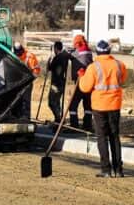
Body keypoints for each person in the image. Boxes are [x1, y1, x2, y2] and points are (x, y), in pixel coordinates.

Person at [77, 40, 129, 178]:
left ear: (97, 52)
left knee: (102, 137)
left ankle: (106, 170)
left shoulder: (93, 67)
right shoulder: (119, 64)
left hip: (100, 106)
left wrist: (82, 76)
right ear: (109, 51)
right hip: (114, 105)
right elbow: (122, 79)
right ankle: (118, 170)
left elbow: (85, 88)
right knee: (114, 136)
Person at [67, 34, 94, 130]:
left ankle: (74, 125)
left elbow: (68, 56)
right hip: (90, 82)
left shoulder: (78, 52)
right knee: (87, 105)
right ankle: (87, 125)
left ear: (77, 43)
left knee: (73, 105)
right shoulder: (89, 51)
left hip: (80, 82)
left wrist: (68, 52)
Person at [45, 41, 77, 124]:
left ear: (55, 48)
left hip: (55, 84)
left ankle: (58, 119)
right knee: (57, 102)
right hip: (62, 83)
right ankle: (58, 119)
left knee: (51, 103)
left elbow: (49, 68)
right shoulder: (64, 56)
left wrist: (49, 59)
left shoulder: (56, 58)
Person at [13, 43, 40, 118]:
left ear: (21, 50)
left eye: (18, 52)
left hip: (27, 83)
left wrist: (29, 80)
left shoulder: (29, 56)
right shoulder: (14, 55)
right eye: (16, 52)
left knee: (26, 99)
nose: (17, 54)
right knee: (17, 100)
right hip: (17, 82)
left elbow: (36, 70)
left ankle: (26, 116)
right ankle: (17, 115)